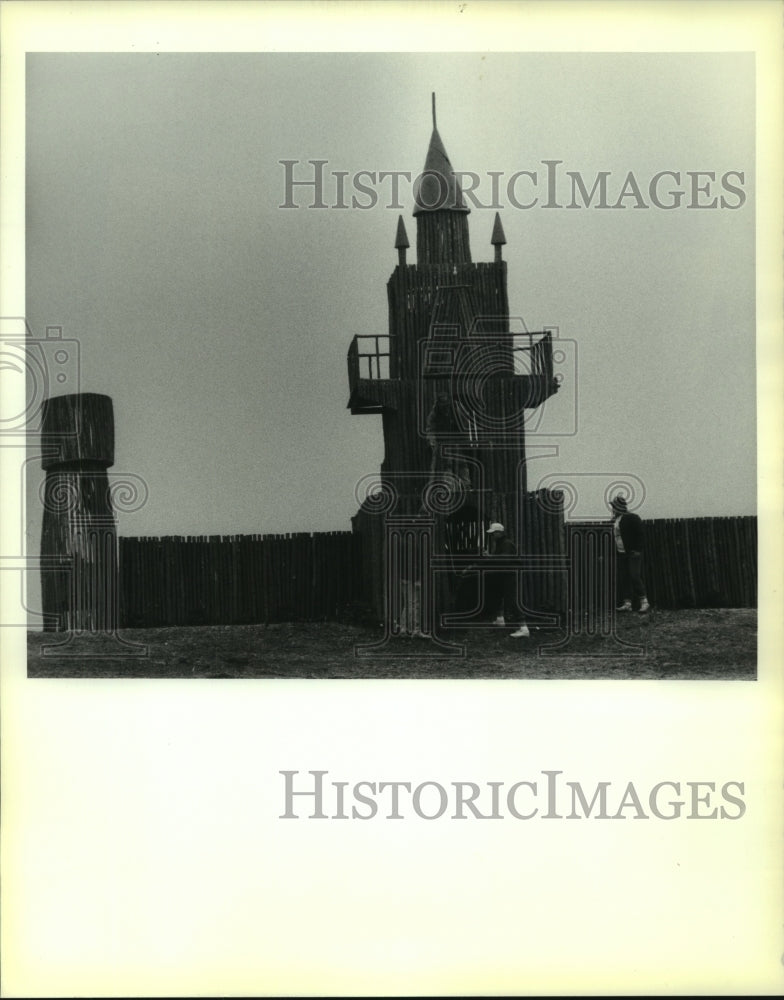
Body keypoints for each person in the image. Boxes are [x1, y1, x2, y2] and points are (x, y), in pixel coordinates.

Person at [484, 522, 529, 638]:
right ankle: (500, 619)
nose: (492, 536)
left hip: (511, 575)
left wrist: (490, 557)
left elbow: (505, 560)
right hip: (503, 575)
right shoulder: (500, 544)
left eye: (493, 533)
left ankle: (524, 628)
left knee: (512, 600)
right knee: (498, 595)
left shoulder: (507, 544)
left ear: (499, 533)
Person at [609, 495, 650, 613]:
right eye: (613, 506)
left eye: (615, 506)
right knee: (624, 577)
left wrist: (637, 550)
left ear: (622, 507)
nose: (613, 509)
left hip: (632, 553)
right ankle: (628, 604)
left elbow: (641, 535)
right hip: (621, 553)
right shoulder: (614, 520)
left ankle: (645, 603)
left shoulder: (632, 517)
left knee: (634, 576)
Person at [425, 392, 471, 488]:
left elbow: (465, 423)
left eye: (446, 406)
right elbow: (430, 428)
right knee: (446, 467)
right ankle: (448, 488)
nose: (444, 408)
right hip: (442, 444)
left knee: (462, 465)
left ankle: (466, 486)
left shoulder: (456, 408)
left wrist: (464, 439)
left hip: (456, 442)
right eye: (442, 406)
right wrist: (432, 441)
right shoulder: (435, 412)